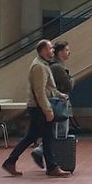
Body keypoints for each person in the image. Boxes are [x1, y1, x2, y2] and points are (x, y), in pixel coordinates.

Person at [2, 40, 68, 178]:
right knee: (48, 136)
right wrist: (48, 110)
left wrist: (59, 95)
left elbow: (48, 87)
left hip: (38, 106)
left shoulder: (43, 64)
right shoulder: (38, 66)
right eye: (50, 48)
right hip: (39, 107)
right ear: (43, 51)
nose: (53, 51)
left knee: (31, 136)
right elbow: (39, 91)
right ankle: (52, 167)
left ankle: (10, 161)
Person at [31, 40, 76, 170]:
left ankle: (49, 159)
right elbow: (68, 85)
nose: (69, 52)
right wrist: (71, 79)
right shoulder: (56, 67)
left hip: (56, 100)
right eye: (67, 50)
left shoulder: (53, 66)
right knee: (59, 131)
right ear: (60, 52)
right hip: (57, 102)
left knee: (50, 131)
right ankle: (43, 153)